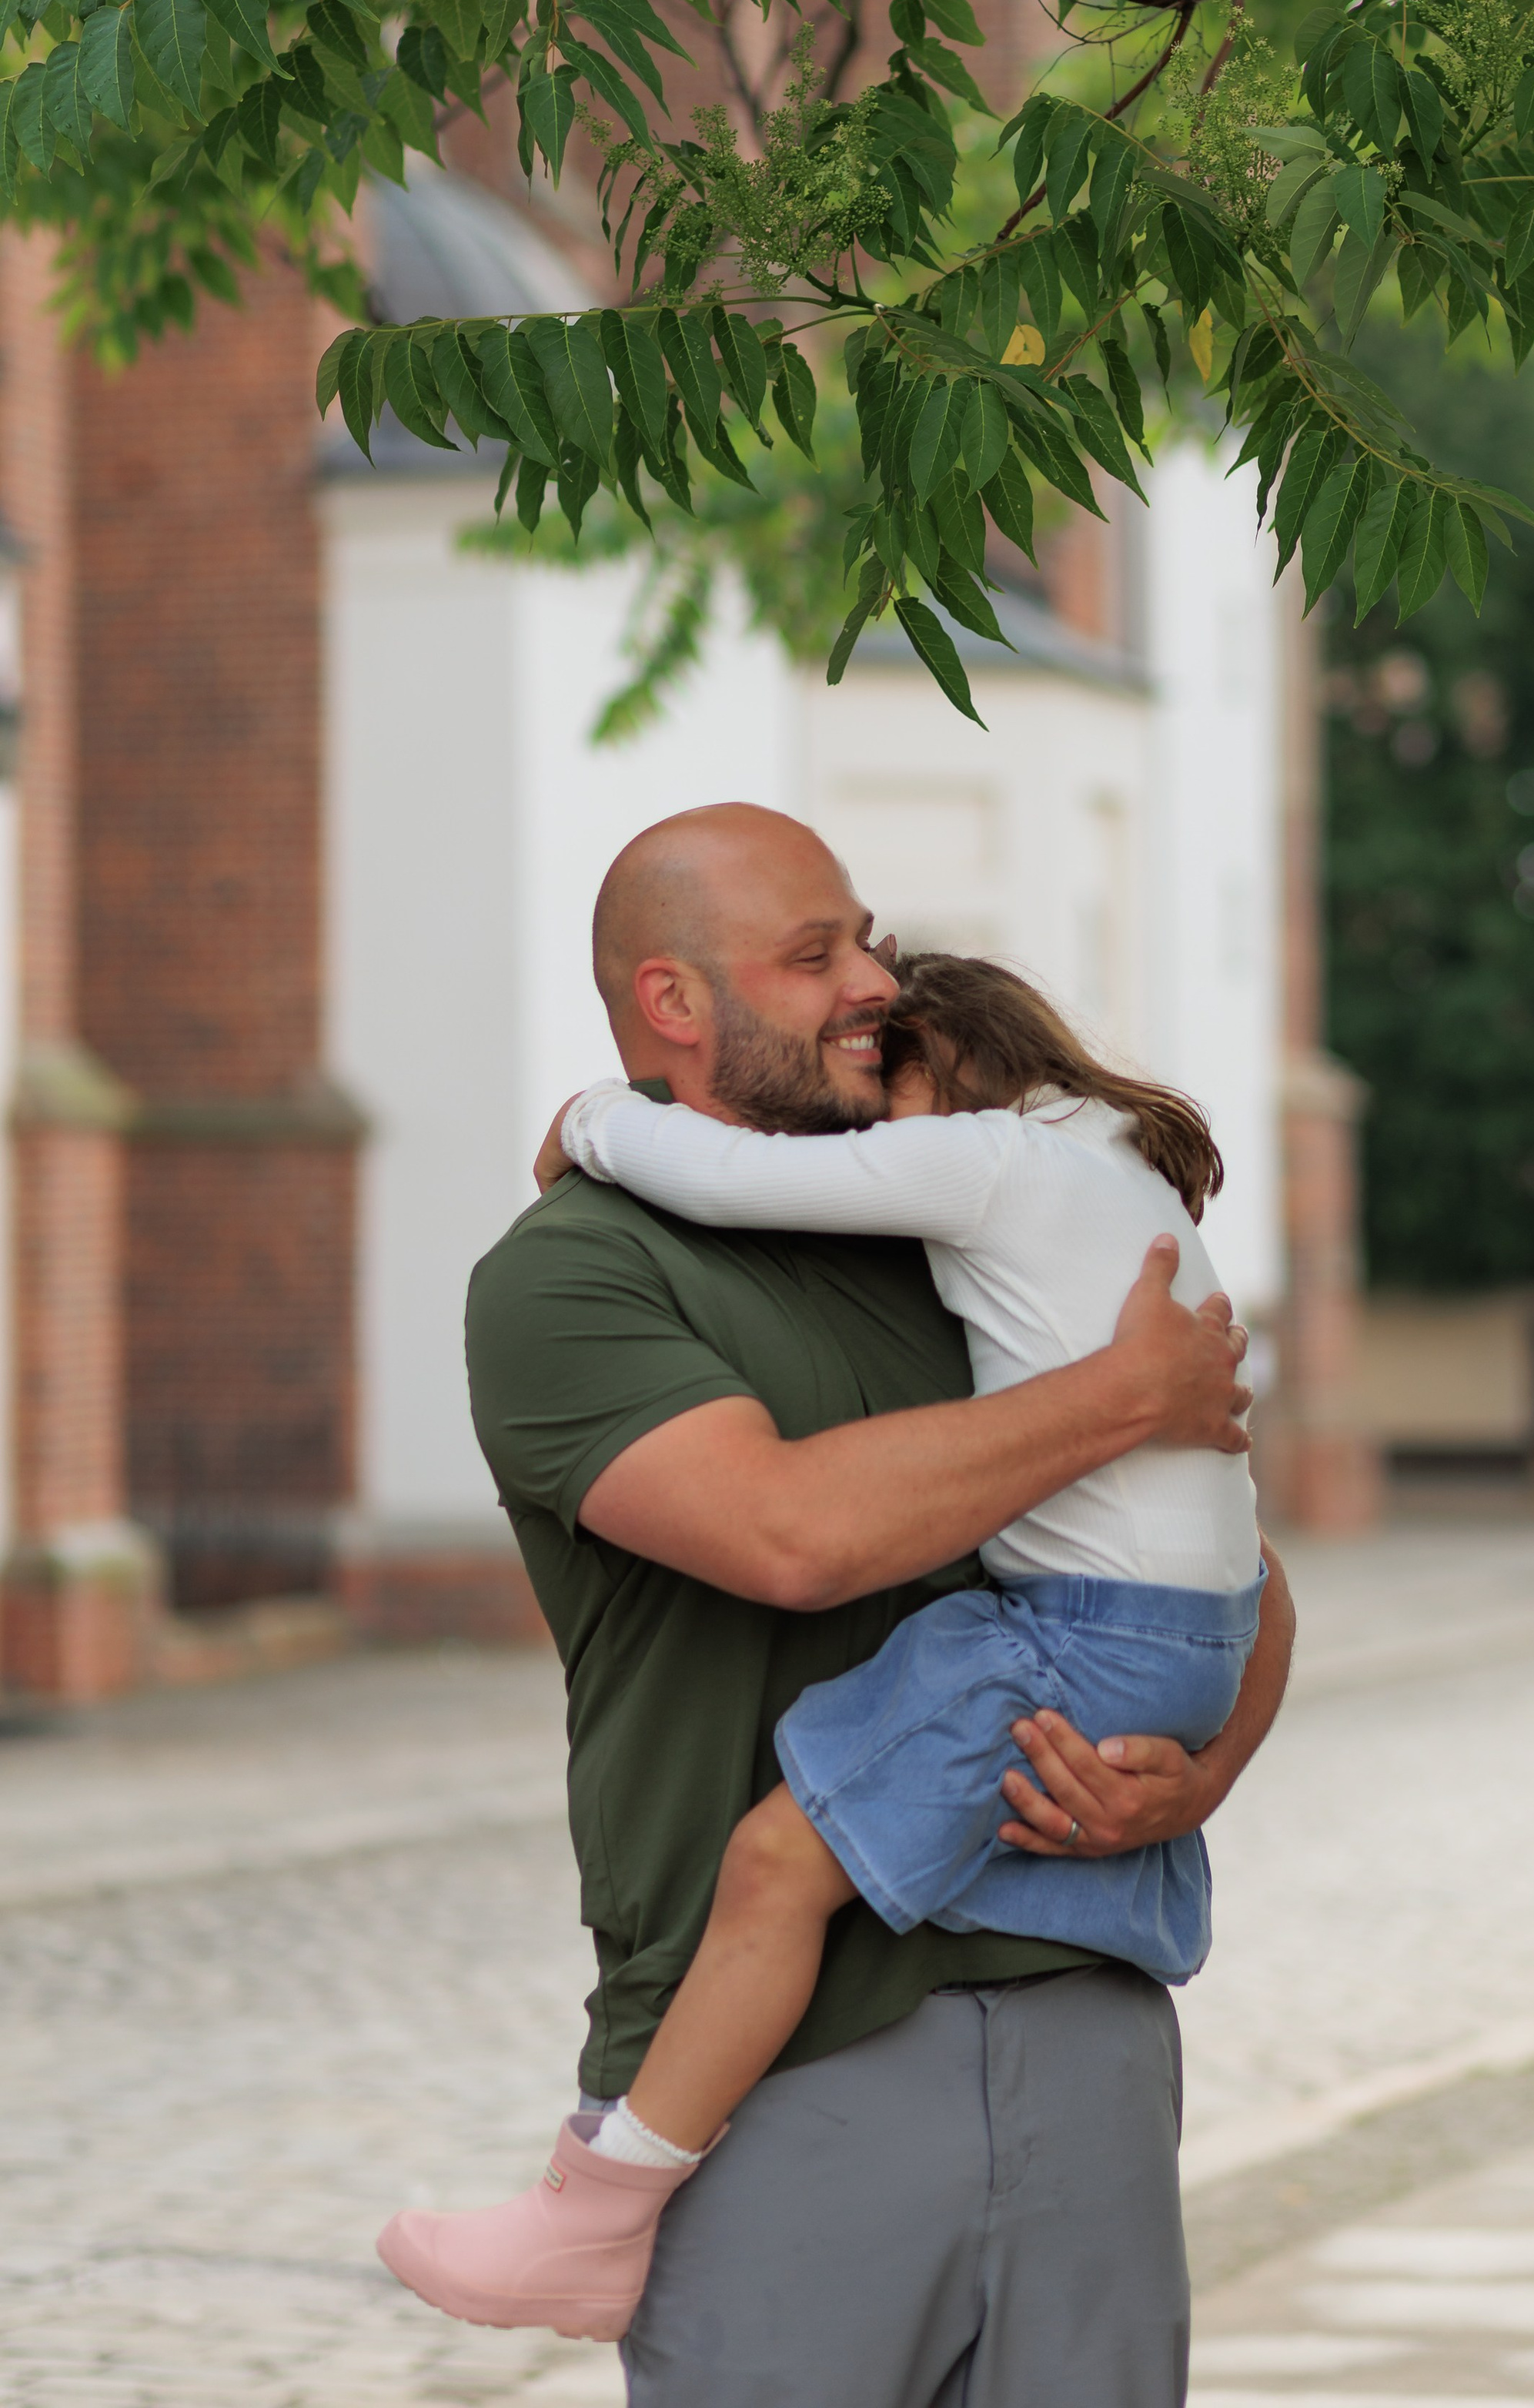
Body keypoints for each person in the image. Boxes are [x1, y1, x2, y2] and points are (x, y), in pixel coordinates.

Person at [379, 805, 1292, 2408]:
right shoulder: (578, 1275)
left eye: (865, 937)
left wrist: (1199, 1769)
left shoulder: (960, 1226)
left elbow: (1241, 1571)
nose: (871, 981)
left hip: (1083, 2023)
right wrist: (1117, 1397)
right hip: (786, 2078)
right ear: (674, 1004)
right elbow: (789, 1536)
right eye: (813, 957)